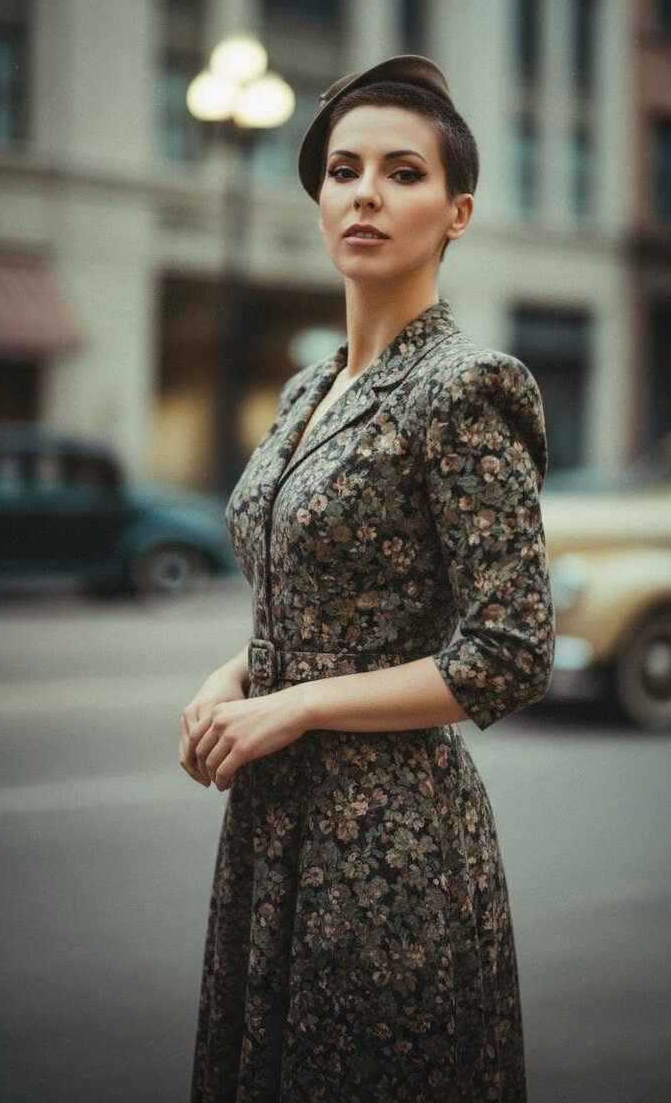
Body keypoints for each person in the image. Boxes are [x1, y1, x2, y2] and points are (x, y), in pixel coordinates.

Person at [179, 54, 554, 1103]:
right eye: (343, 170)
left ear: (455, 211)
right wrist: (236, 678)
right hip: (274, 824)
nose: (365, 194)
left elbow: (510, 652)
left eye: (401, 172)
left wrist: (293, 705)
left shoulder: (465, 385)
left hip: (387, 839)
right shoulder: (309, 385)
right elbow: (315, 597)